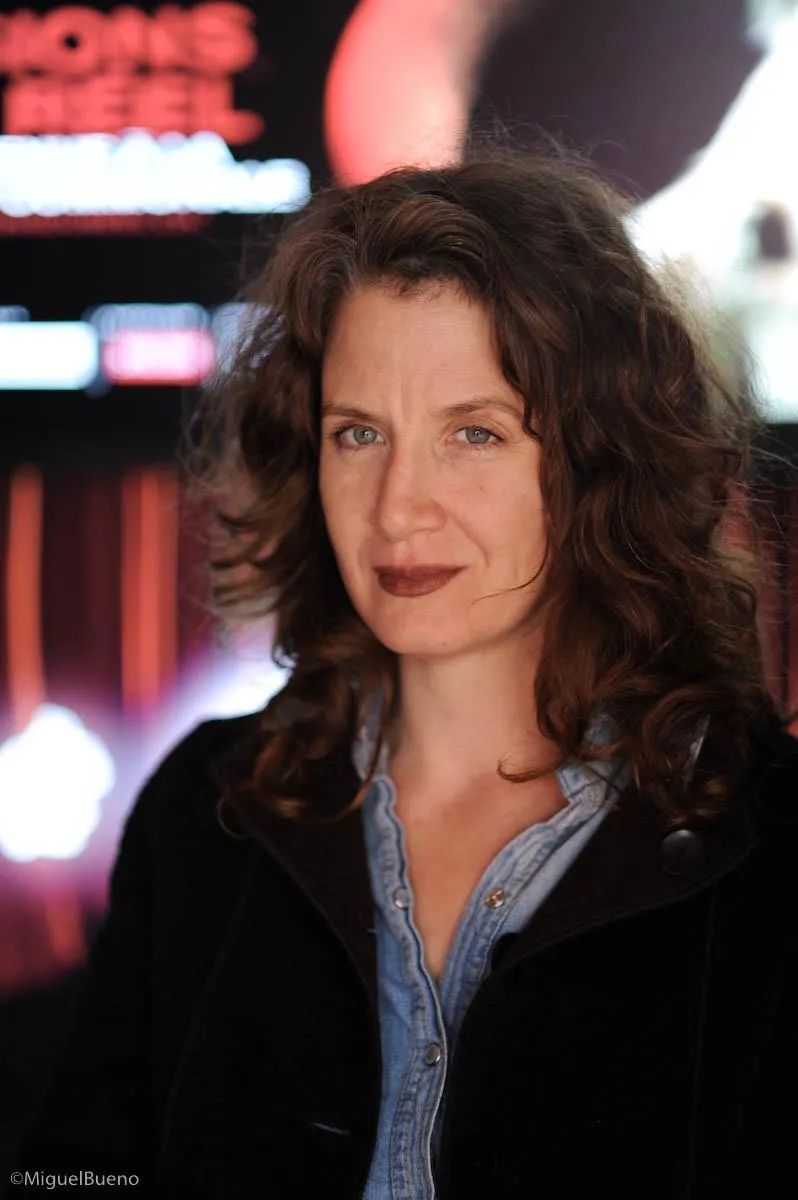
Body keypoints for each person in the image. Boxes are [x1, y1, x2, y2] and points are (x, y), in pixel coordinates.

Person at [16, 144, 798, 1199]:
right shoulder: (208, 810)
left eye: (473, 433)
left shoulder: (774, 840)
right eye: (358, 434)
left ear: (600, 460)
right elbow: (79, 1176)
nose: (396, 508)